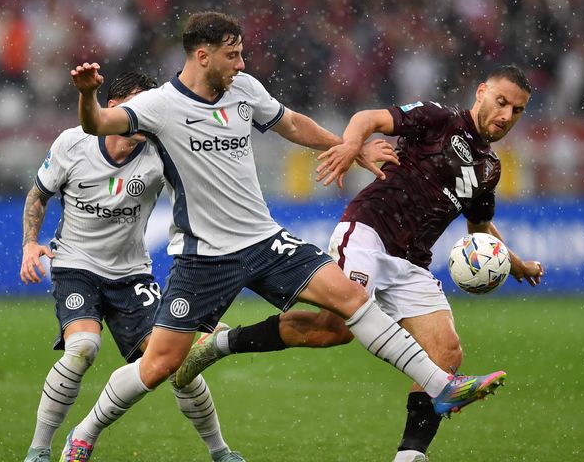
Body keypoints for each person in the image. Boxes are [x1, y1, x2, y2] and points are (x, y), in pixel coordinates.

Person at [60, 12, 507, 461]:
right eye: (232, 55)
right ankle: (84, 432)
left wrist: (346, 147)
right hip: (205, 257)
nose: (240, 62)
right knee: (160, 365)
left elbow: (291, 123)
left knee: (351, 298)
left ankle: (440, 386)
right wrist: (87, 95)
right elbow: (97, 124)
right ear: (202, 55)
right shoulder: (160, 105)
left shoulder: (244, 90)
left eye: (241, 53)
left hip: (264, 240)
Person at [175, 65, 544, 462]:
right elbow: (367, 119)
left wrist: (515, 263)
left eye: (517, 110)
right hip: (368, 232)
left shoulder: (489, 168)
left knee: (447, 352)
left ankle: (409, 456)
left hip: (413, 262)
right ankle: (220, 344)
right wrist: (351, 145)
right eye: (501, 102)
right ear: (482, 92)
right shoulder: (440, 118)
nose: (506, 115)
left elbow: (479, 225)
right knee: (333, 329)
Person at [19, 71, 244, 462]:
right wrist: (29, 245)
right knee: (83, 349)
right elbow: (38, 195)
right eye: (137, 105)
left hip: (132, 276)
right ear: (112, 107)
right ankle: (38, 451)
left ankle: (221, 452)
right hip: (76, 266)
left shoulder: (161, 153)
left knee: (176, 363)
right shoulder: (73, 144)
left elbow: (198, 198)